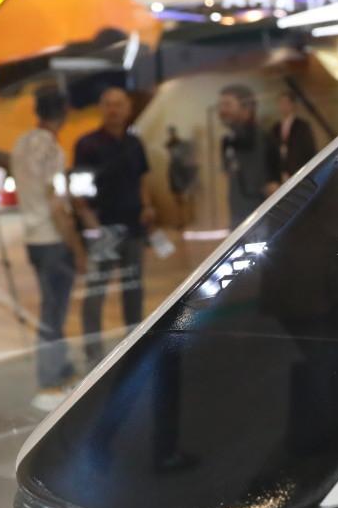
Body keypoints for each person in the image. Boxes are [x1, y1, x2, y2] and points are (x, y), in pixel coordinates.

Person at [11, 89, 85, 410]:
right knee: (54, 312)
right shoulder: (52, 148)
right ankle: (50, 379)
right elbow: (55, 202)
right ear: (64, 112)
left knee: (50, 308)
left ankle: (61, 368)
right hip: (53, 238)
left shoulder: (21, 143)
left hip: (33, 238)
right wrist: (77, 246)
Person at [73, 86, 155, 366]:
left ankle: (134, 347)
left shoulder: (135, 143)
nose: (114, 110)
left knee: (134, 289)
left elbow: (142, 178)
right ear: (101, 108)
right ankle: (93, 354)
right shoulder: (87, 144)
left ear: (128, 109)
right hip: (103, 228)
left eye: (119, 104)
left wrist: (147, 206)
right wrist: (91, 224)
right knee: (96, 292)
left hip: (133, 228)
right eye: (108, 104)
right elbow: (79, 190)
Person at [218, 83, 277, 228]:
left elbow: (272, 184)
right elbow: (229, 174)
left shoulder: (264, 138)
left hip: (261, 219)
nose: (222, 110)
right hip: (237, 218)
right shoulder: (228, 140)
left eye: (228, 104)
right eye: (221, 105)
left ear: (247, 108)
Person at [268, 89, 318, 182]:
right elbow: (271, 153)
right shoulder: (275, 128)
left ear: (292, 104)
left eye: (286, 102)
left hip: (298, 171)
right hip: (280, 173)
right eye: (281, 103)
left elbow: (309, 150)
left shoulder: (302, 126)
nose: (283, 106)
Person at [164, 124, 199, 225]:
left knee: (189, 195)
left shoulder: (182, 144)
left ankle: (191, 218)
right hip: (175, 171)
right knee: (178, 198)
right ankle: (181, 220)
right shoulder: (169, 144)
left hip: (183, 170)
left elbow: (188, 156)